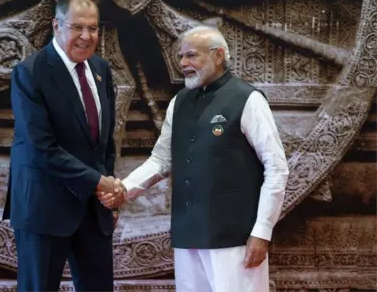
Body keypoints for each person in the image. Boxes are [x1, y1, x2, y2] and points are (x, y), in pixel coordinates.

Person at [98, 25, 289, 291]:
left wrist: (262, 232)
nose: (183, 64)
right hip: (188, 238)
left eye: (192, 56)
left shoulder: (248, 99)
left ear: (219, 55)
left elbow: (277, 168)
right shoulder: (180, 101)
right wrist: (124, 190)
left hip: (234, 240)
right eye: (181, 57)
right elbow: (161, 160)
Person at [2, 0, 125, 292]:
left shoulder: (101, 69)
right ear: (56, 26)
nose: (86, 36)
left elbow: (104, 140)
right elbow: (41, 148)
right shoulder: (30, 73)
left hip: (93, 211)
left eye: (93, 28)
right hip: (44, 208)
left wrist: (108, 194)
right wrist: (99, 182)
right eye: (77, 27)